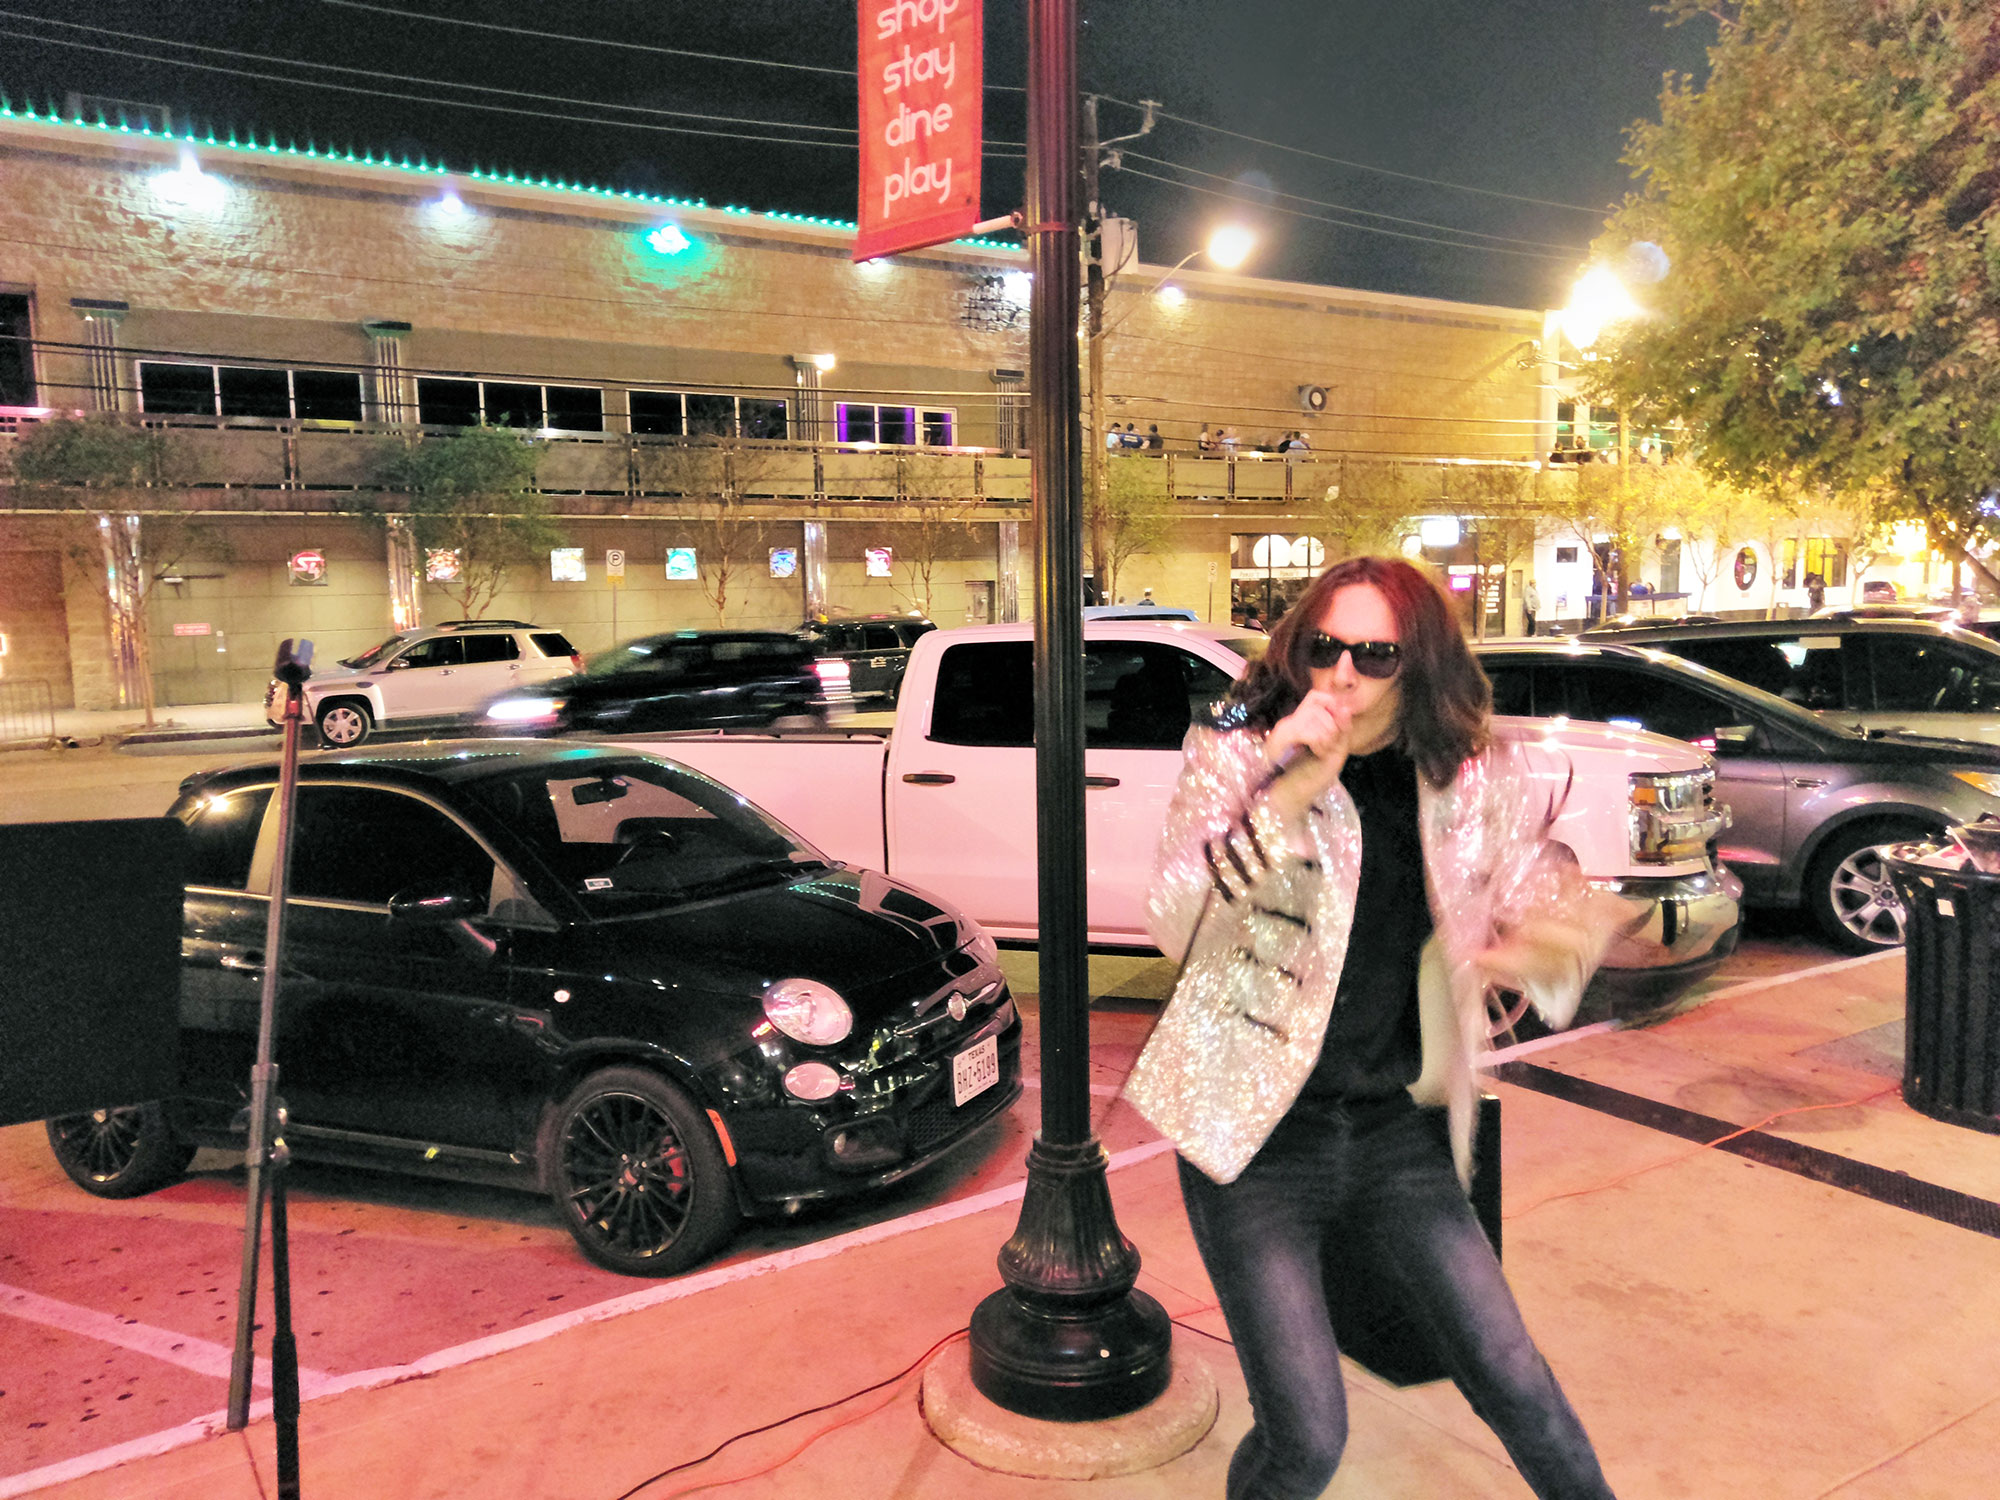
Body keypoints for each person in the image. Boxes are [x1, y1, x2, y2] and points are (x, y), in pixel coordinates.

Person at [1126, 555, 1619, 1500]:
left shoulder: (1466, 779)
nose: (1341, 674)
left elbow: (1536, 898)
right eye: (1323, 648)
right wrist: (1292, 787)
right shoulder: (1240, 753)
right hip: (1257, 1135)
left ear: (1420, 664)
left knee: (1519, 1383)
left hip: (1393, 1132)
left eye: (1375, 654)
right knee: (1308, 1437)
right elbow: (1176, 913)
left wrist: (1554, 939)